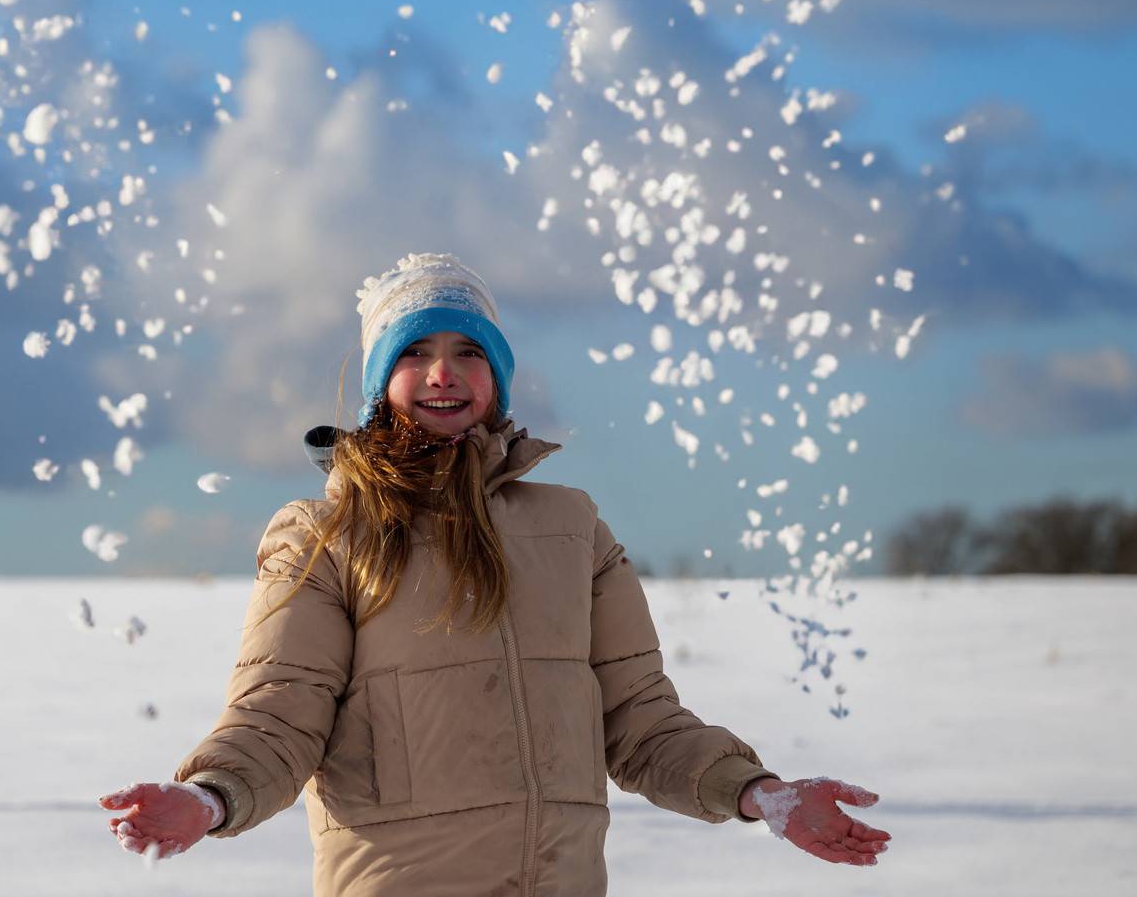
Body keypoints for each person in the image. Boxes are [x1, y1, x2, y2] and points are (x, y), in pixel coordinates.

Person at [100, 253, 890, 894]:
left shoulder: (572, 528)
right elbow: (280, 712)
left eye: (467, 351)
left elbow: (641, 721)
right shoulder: (327, 534)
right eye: (415, 352)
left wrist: (760, 793)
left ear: (498, 377)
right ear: (381, 385)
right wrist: (209, 797)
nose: (443, 373)